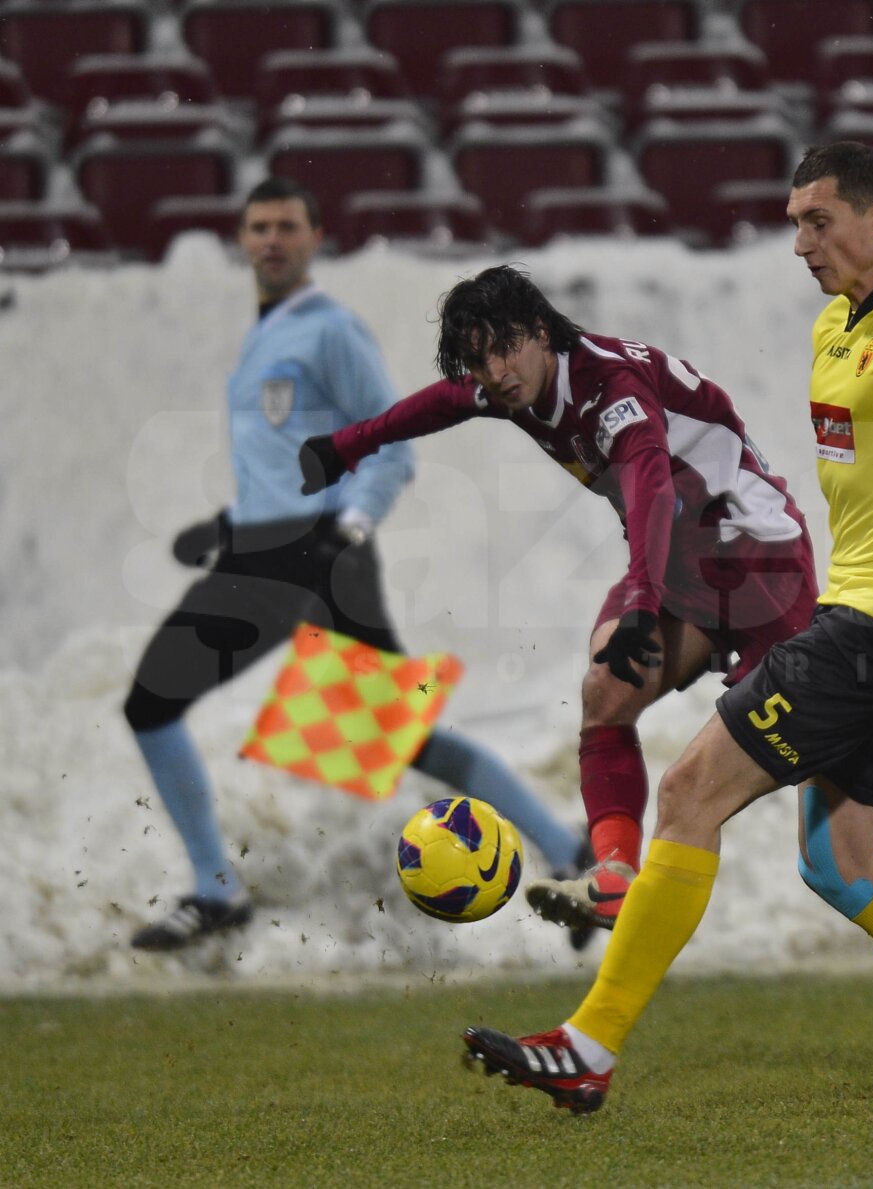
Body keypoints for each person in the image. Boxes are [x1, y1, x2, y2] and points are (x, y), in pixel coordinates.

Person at [458, 143, 873, 1111]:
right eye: (795, 223)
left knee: (688, 791)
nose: (800, 243)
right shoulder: (837, 327)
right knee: (840, 865)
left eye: (817, 221)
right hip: (869, 613)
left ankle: (587, 1047)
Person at [298, 264, 873, 944]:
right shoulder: (512, 386)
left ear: (541, 331)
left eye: (505, 349)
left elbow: (651, 485)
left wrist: (643, 603)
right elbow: (441, 404)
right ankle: (614, 874)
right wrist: (347, 445)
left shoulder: (610, 387)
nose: (494, 372)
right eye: (478, 359)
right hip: (676, 567)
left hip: (757, 560)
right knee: (605, 692)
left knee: (827, 753)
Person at [123, 178, 586, 951]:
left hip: (310, 557)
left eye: (287, 226)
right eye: (259, 226)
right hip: (275, 551)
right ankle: (566, 845)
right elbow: (285, 465)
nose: (272, 239)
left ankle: (215, 887)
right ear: (242, 239)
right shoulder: (267, 334)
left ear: (316, 237)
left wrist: (349, 528)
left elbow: (389, 444)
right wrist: (227, 525)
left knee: (151, 700)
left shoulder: (331, 330)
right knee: (398, 733)